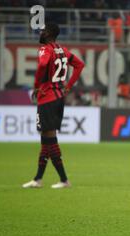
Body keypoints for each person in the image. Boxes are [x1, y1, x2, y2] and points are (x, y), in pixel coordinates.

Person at [23, 23, 85, 189]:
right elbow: (80, 65)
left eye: (43, 30)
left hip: (47, 97)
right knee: (46, 138)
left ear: (49, 33)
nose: (40, 33)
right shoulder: (63, 50)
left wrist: (36, 86)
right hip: (58, 96)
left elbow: (43, 64)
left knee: (49, 139)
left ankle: (64, 180)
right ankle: (37, 179)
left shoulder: (46, 49)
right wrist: (68, 86)